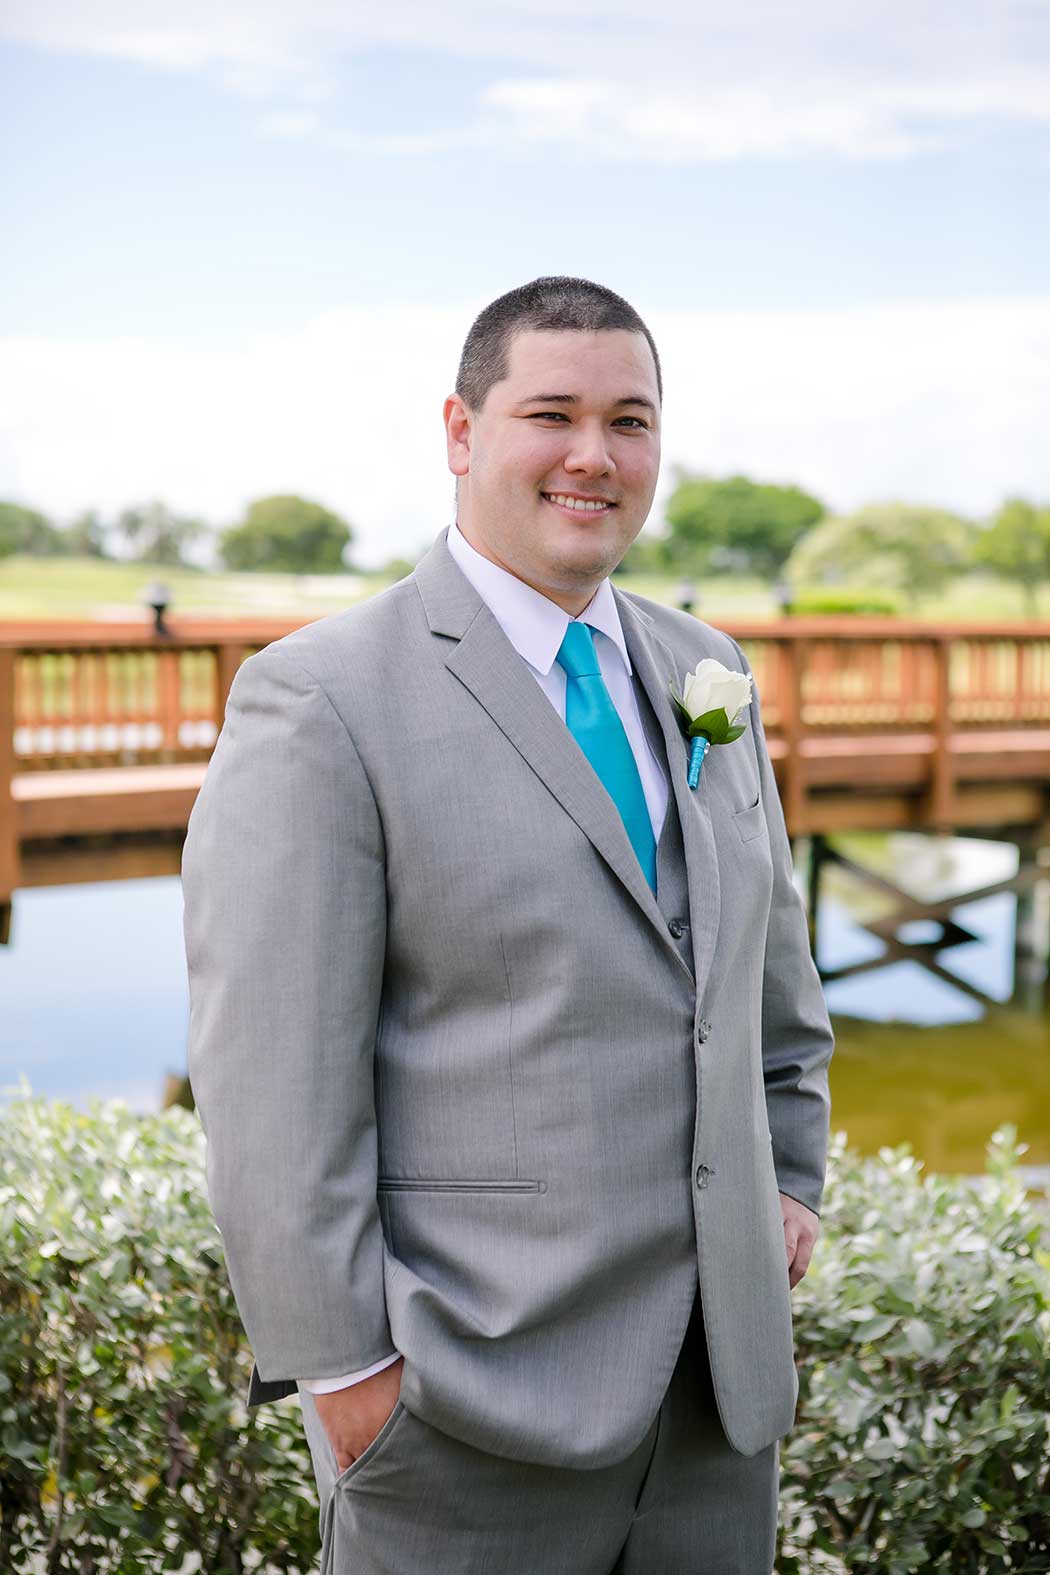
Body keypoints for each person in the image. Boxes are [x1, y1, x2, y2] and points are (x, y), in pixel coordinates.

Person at [182, 275, 834, 1573]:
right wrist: (351, 1382)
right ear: (462, 431)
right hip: (464, 1418)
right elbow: (269, 1088)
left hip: (718, 1411)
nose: (595, 456)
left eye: (631, 421)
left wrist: (789, 1174)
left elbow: (767, 971)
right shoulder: (319, 700)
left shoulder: (706, 672)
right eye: (553, 413)